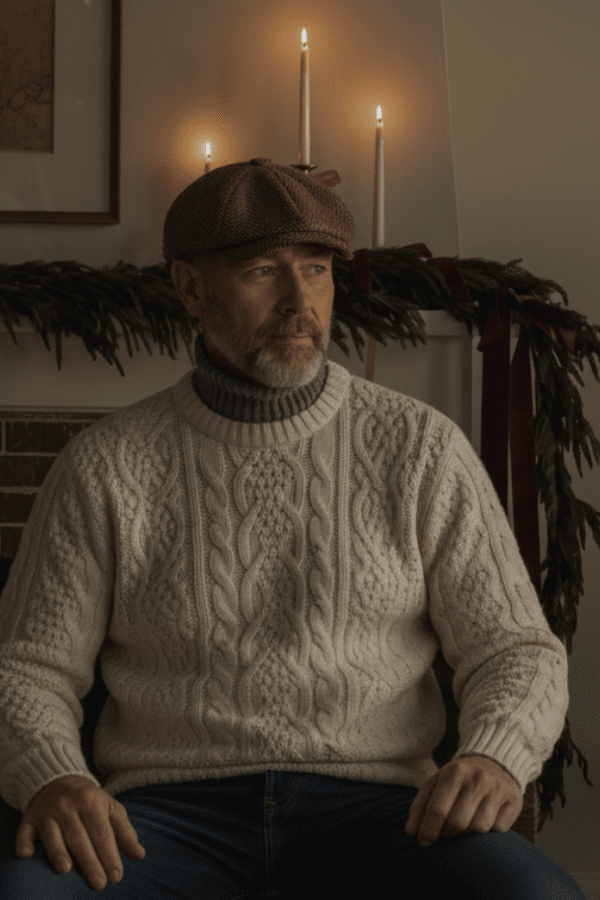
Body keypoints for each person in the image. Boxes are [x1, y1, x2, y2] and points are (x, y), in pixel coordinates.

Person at [0, 158, 585, 898]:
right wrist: (54, 776)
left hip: (386, 814)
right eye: (261, 272)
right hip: (162, 823)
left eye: (315, 270)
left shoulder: (420, 447)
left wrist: (495, 754)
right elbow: (27, 669)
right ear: (191, 287)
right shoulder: (104, 465)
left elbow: (516, 649)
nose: (299, 301)